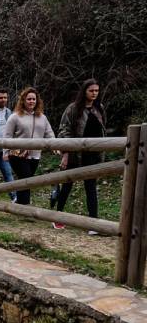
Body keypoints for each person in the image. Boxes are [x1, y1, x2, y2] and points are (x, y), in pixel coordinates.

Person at [53, 79, 105, 233]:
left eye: (96, 91)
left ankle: (93, 223)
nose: (94, 94)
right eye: (91, 91)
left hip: (93, 155)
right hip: (75, 154)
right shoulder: (73, 109)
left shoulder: (99, 108)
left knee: (91, 188)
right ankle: (58, 217)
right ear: (85, 91)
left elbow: (102, 130)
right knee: (67, 185)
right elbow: (64, 131)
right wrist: (66, 153)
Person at [4, 87, 55, 205]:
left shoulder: (42, 117)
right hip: (17, 154)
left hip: (35, 155)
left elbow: (49, 133)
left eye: (33, 99)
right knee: (26, 179)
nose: (31, 101)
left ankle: (17, 203)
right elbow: (7, 135)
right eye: (29, 99)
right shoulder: (15, 117)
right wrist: (5, 152)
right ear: (23, 101)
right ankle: (25, 207)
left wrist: (55, 146)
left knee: (26, 181)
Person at [0, 88, 17, 202]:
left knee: (8, 173)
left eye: (5, 97)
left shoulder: (10, 113)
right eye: (0, 97)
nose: (3, 100)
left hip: (4, 150)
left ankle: (15, 198)